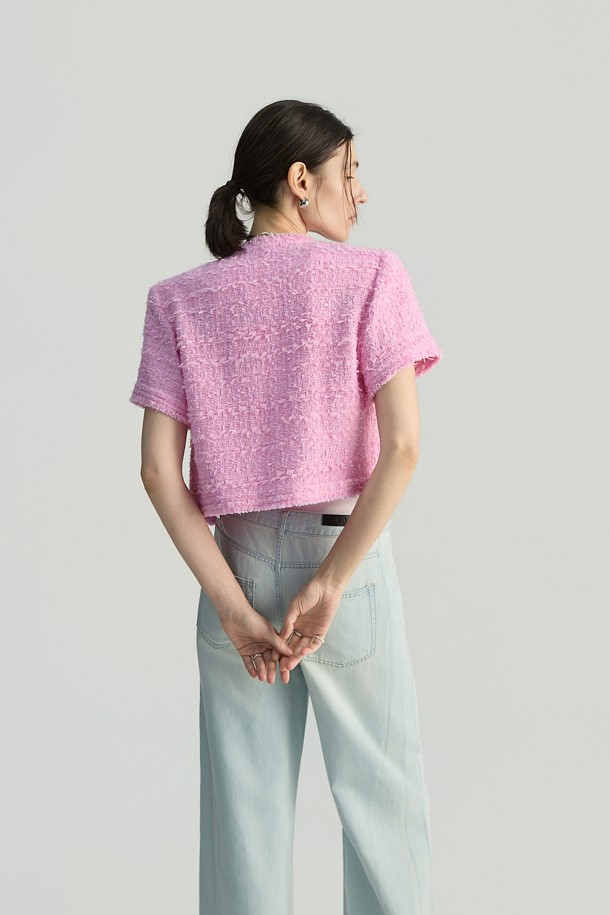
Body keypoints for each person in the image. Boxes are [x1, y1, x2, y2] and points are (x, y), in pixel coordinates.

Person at [129, 99, 443, 915]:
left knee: (244, 820)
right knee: (383, 808)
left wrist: (233, 606)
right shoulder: (373, 278)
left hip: (233, 566)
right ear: (302, 180)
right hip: (346, 561)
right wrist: (331, 581)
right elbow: (404, 448)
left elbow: (159, 472)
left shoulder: (178, 300)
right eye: (351, 172)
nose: (361, 193)